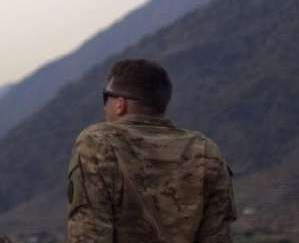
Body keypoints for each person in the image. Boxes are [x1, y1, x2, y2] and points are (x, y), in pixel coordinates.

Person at [66, 59, 236, 243]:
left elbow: (89, 234)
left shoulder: (97, 142)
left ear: (120, 104)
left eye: (106, 97)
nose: (104, 106)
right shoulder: (205, 150)